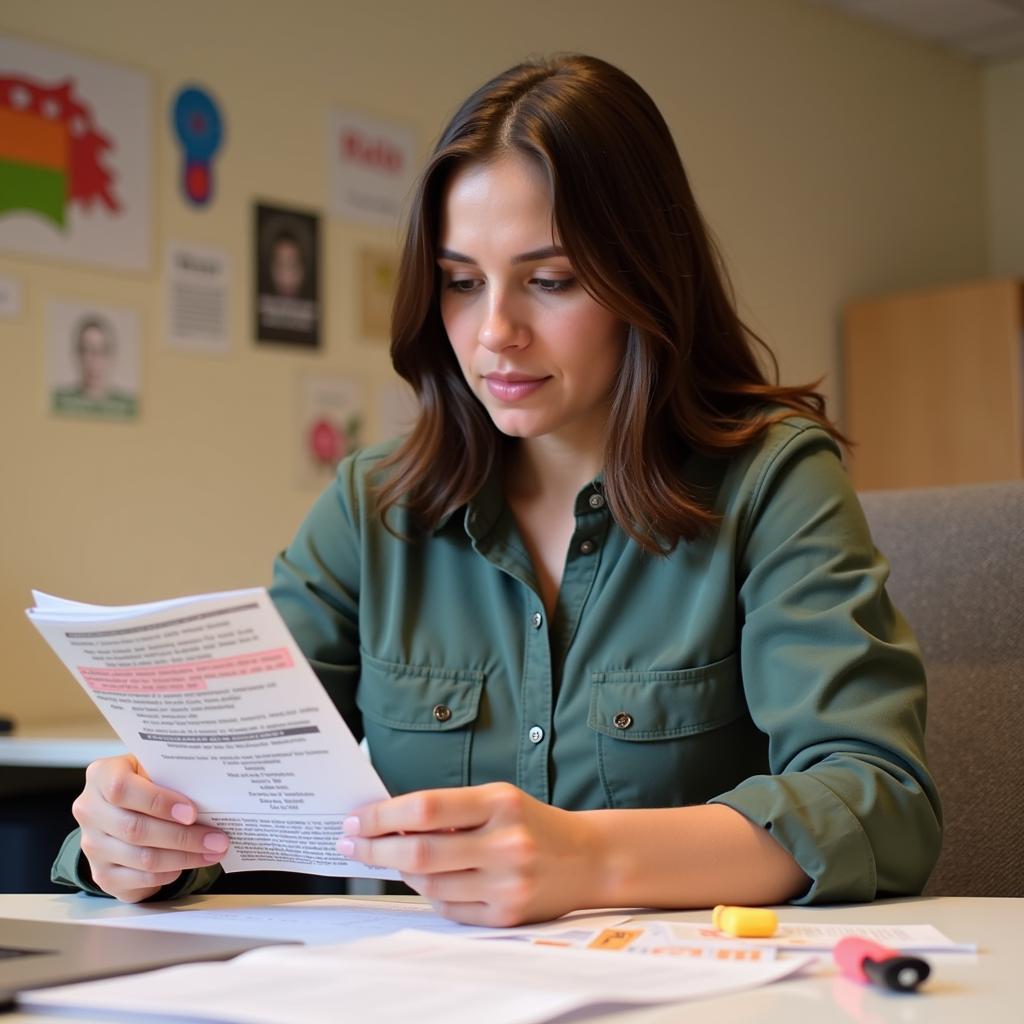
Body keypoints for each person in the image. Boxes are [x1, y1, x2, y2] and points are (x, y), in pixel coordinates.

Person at [55, 55, 941, 925]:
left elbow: (878, 801)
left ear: (647, 277)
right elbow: (222, 788)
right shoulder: (373, 508)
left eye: (549, 281)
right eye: (461, 283)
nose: (494, 334)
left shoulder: (774, 480)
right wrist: (129, 841)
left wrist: (587, 858)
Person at [52, 316, 136, 418]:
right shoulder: (59, 400)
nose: (94, 360)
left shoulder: (129, 405)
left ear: (112, 356)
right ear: (78, 354)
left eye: (101, 351)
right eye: (86, 350)